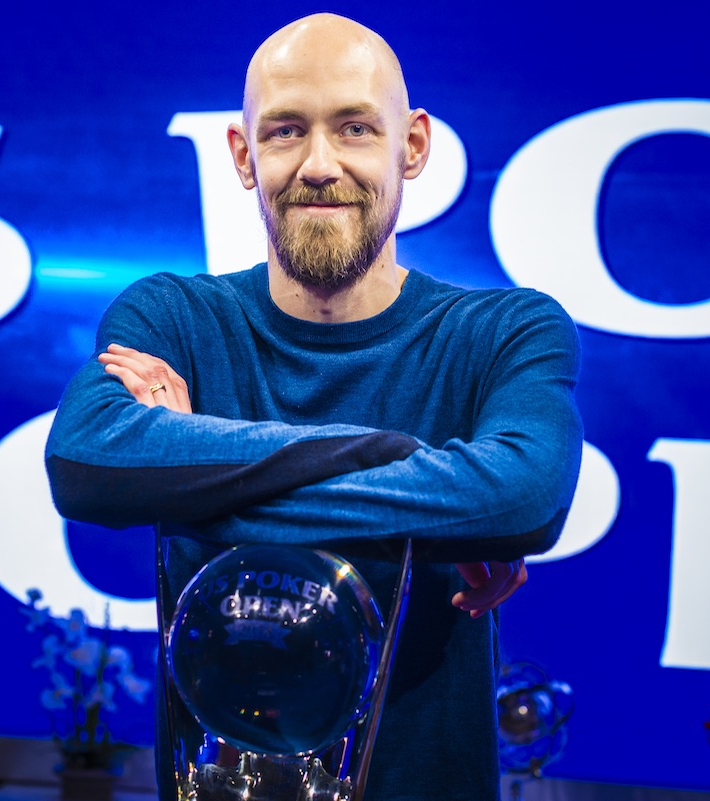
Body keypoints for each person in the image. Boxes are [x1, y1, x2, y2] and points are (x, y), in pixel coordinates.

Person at [46, 12, 582, 801]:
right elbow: (88, 463)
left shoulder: (503, 333)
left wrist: (190, 463)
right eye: (287, 131)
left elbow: (525, 495)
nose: (320, 166)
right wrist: (402, 468)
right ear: (243, 153)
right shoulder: (172, 320)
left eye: (357, 129)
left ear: (415, 146)